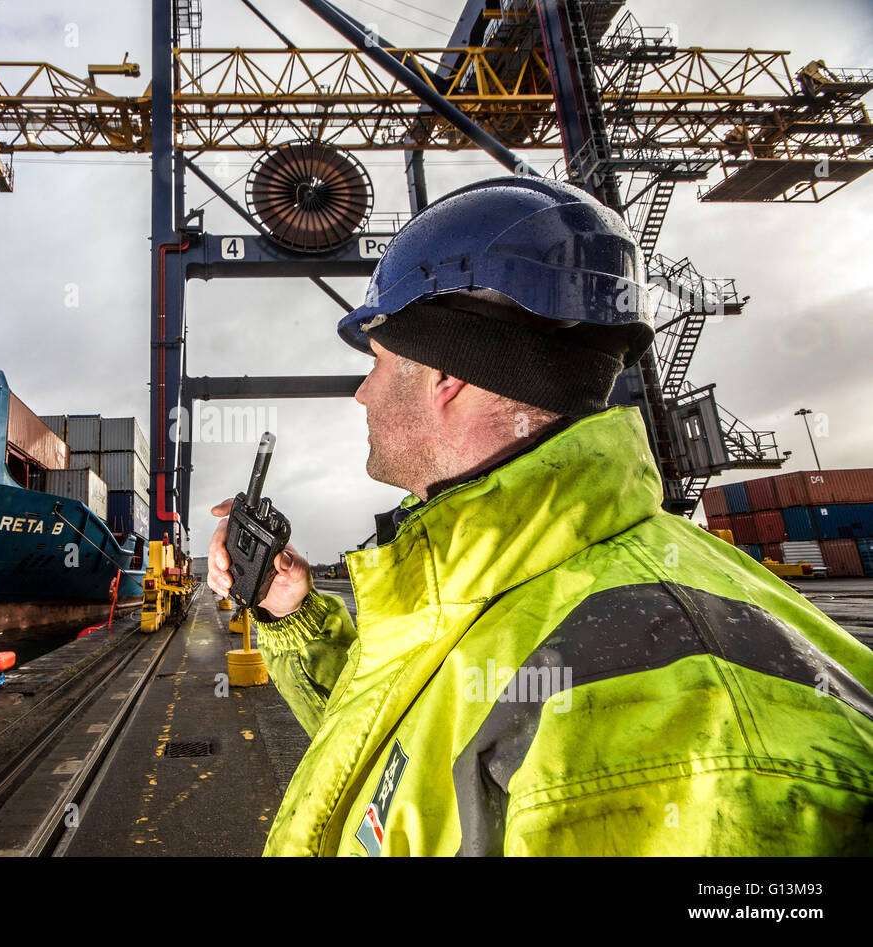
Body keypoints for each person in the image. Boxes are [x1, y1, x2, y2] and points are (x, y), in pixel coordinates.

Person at [207, 175, 873, 857]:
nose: (361, 392)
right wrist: (289, 606)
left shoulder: (700, 749)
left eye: (378, 360)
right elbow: (401, 752)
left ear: (447, 374)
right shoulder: (496, 586)